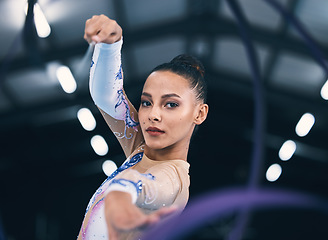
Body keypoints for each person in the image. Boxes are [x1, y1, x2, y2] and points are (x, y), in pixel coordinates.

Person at [77, 14, 209, 240]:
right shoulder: (140, 147)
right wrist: (111, 44)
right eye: (147, 102)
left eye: (171, 104)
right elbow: (107, 96)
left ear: (199, 113)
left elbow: (152, 187)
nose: (153, 115)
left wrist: (125, 188)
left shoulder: (175, 180)